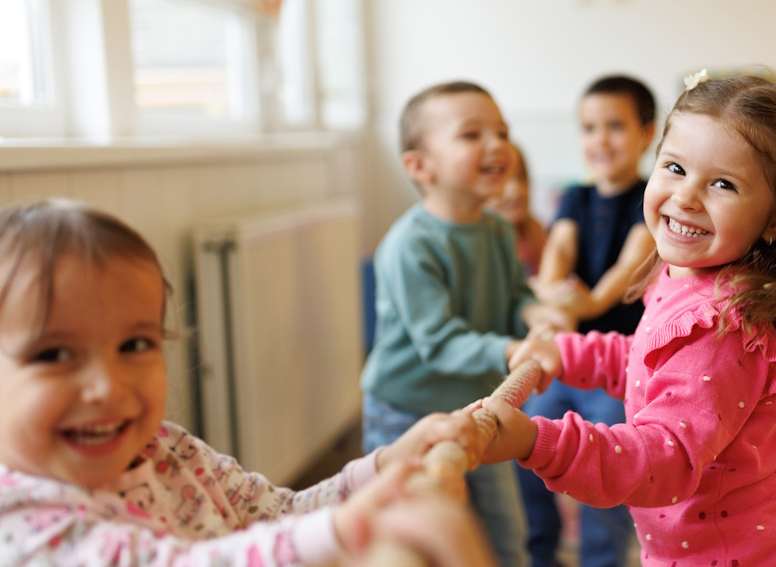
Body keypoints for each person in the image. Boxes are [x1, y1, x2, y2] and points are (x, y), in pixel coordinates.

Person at [482, 71, 776, 567]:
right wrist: (567, 353)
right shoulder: (687, 275)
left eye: (722, 184)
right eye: (674, 167)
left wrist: (537, 441)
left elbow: (664, 459)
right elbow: (651, 361)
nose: (686, 197)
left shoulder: (722, 326)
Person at [0, 199, 497, 567]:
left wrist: (387, 463)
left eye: (134, 345)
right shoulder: (19, 518)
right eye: (55, 354)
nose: (107, 387)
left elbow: (281, 515)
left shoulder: (172, 452)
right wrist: (345, 531)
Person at [360, 81, 569, 567]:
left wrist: (534, 310)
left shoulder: (497, 228)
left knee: (504, 530)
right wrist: (510, 350)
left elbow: (514, 293)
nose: (498, 145)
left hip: (476, 405)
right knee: (415, 529)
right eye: (472, 135)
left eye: (501, 131)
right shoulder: (411, 244)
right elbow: (438, 341)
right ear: (419, 166)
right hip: (404, 412)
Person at [521, 75, 658, 567]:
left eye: (615, 126)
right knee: (527, 451)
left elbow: (630, 266)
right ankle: (541, 552)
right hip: (566, 355)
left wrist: (589, 303)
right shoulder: (575, 197)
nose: (600, 140)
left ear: (646, 133)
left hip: (615, 368)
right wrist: (556, 301)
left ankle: (602, 560)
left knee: (607, 473)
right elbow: (559, 247)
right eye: (589, 128)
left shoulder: (652, 196)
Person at [486, 145, 547, 277]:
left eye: (520, 177)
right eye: (502, 180)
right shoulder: (481, 241)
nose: (515, 191)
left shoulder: (536, 232)